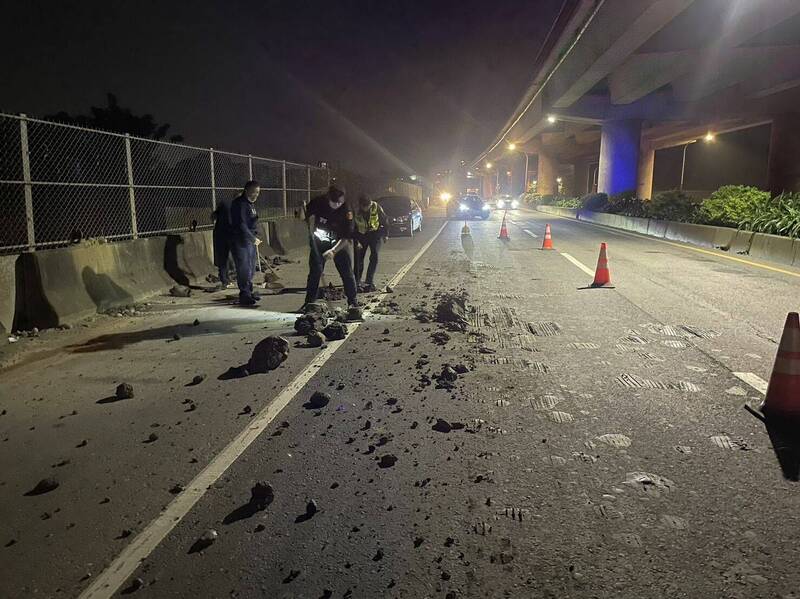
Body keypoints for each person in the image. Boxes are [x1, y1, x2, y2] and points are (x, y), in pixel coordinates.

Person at [303, 184, 357, 309]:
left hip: (339, 245)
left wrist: (333, 251)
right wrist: (304, 216)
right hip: (319, 243)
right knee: (315, 273)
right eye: (334, 202)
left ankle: (353, 302)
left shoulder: (347, 209)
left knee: (347, 273)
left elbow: (347, 236)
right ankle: (309, 302)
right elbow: (305, 214)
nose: (337, 205)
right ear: (328, 197)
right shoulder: (318, 202)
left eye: (339, 202)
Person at [230, 180, 262, 306]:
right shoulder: (240, 204)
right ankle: (244, 294)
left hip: (250, 241)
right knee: (244, 268)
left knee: (251, 268)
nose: (256, 195)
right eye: (255, 192)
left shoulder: (250, 204)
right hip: (241, 241)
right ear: (247, 190)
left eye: (258, 192)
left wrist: (256, 236)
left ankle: (249, 291)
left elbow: (252, 221)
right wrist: (252, 238)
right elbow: (241, 224)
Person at [353, 194, 388, 292]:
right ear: (360, 205)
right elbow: (352, 227)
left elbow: (384, 220)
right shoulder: (355, 210)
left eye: (367, 206)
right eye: (364, 207)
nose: (366, 208)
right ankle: (356, 281)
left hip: (374, 234)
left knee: (374, 256)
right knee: (358, 259)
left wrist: (385, 234)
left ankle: (369, 281)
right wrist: (356, 241)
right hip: (361, 236)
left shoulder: (376, 207)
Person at [211, 194, 235, 289]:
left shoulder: (225, 203)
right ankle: (225, 280)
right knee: (225, 257)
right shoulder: (233, 206)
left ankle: (225, 279)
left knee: (223, 257)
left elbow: (214, 215)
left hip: (219, 232)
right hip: (226, 233)